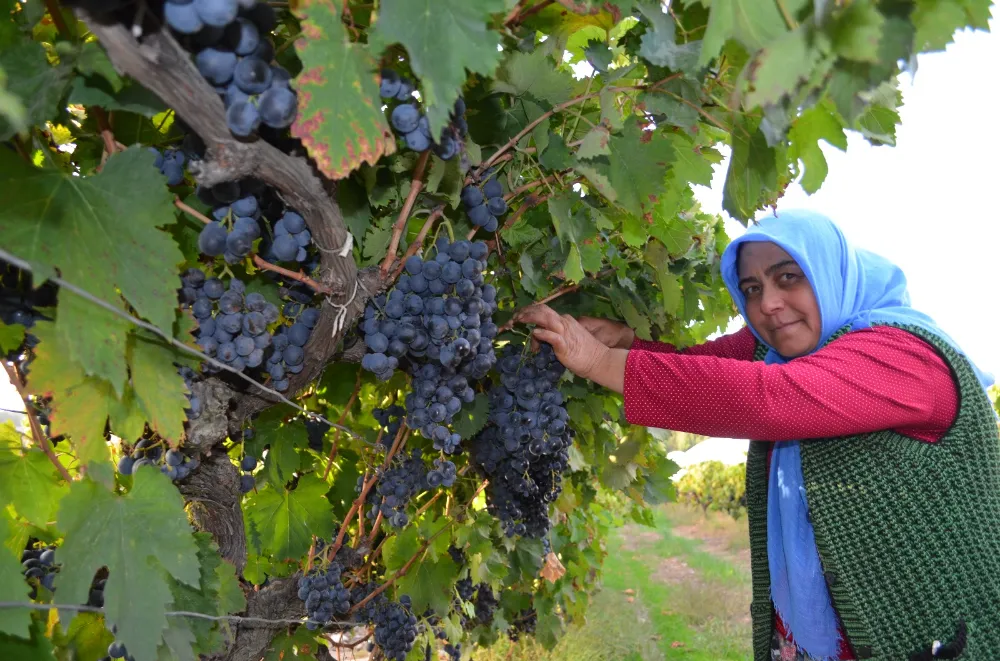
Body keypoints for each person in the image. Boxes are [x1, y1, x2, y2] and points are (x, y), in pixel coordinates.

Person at [515, 210, 1000, 661]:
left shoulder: (904, 354)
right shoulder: (790, 347)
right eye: (750, 287)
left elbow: (769, 398)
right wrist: (626, 343)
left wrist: (599, 363)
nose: (767, 303)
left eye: (788, 276)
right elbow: (707, 365)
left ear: (831, 273)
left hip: (931, 637)